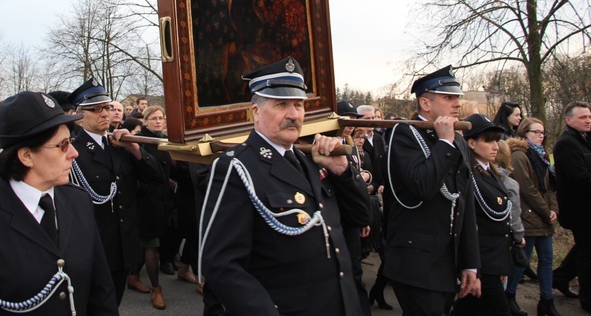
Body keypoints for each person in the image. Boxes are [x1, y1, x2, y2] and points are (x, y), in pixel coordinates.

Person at [201, 57, 371, 315]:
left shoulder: (311, 162)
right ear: (255, 112)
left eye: (299, 105)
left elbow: (360, 216)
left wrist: (343, 172)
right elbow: (221, 265)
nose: (294, 114)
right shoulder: (237, 168)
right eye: (281, 104)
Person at [0, 91, 117, 315]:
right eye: (63, 145)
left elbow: (101, 291)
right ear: (26, 156)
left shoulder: (78, 200)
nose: (74, 153)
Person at [383, 65, 480, 316]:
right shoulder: (405, 134)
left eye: (457, 97)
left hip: (447, 262)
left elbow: (464, 203)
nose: (457, 103)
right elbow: (422, 187)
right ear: (426, 103)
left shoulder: (457, 139)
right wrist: (445, 142)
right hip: (416, 262)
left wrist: (470, 263)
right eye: (449, 98)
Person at [68, 77, 165, 306]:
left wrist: (134, 148)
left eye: (107, 107)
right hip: (95, 249)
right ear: (79, 116)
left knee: (114, 302)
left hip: (124, 247)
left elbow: (156, 177)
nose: (104, 113)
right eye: (95, 109)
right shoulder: (73, 151)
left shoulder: (119, 144)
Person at [452, 114, 513, 316]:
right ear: (471, 143)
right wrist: (473, 270)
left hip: (494, 261)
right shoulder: (469, 175)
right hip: (482, 263)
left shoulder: (490, 172)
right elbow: (470, 226)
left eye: (497, 141)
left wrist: (502, 264)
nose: (495, 146)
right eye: (488, 141)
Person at [505, 117, 560, 316]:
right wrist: (546, 211)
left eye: (542, 132)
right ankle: (509, 296)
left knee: (547, 259)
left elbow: (550, 186)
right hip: (528, 216)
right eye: (535, 132)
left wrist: (554, 208)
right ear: (524, 133)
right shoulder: (520, 156)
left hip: (543, 217)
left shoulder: (544, 156)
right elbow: (527, 189)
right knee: (522, 260)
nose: (540, 136)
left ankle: (547, 300)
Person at [128, 105, 171, 309]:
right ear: (145, 121)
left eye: (160, 118)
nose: (157, 121)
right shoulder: (141, 141)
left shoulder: (163, 139)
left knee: (147, 243)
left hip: (161, 200)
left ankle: (134, 275)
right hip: (145, 201)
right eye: (153, 118)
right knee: (151, 245)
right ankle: (156, 289)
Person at [552, 101, 591, 312]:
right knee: (587, 253)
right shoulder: (567, 143)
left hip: (585, 207)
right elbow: (580, 179)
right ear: (569, 120)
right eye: (583, 117)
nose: (588, 120)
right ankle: (587, 298)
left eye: (589, 117)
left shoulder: (584, 139)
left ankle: (559, 277)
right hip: (580, 210)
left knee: (584, 248)